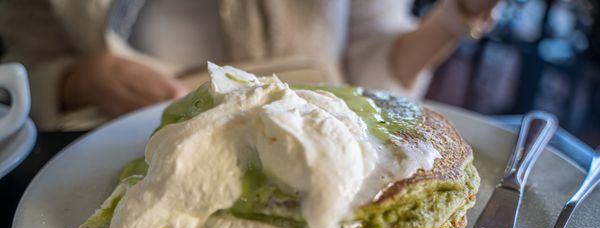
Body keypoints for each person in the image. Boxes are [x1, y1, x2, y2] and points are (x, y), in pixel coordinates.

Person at [0, 0, 498, 130]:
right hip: (121, 148)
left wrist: (457, 17)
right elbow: (24, 64)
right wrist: (76, 80)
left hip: (314, 139)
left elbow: (374, 71)